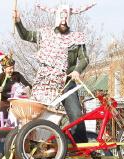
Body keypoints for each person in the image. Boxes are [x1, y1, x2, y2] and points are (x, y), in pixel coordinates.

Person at [14, 3, 95, 143]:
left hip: (67, 83)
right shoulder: (45, 34)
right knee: (40, 114)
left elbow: (84, 58)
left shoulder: (76, 38)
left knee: (76, 114)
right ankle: (33, 143)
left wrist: (76, 70)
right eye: (61, 18)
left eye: (66, 18)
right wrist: (18, 22)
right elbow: (26, 35)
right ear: (57, 18)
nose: (63, 21)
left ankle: (81, 147)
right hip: (46, 81)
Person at [0, 55, 31, 123]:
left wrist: (27, 89)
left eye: (13, 68)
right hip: (5, 103)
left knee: (17, 121)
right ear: (4, 69)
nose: (12, 70)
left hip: (16, 102)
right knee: (2, 121)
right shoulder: (0, 77)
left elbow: (27, 84)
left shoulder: (17, 75)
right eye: (10, 69)